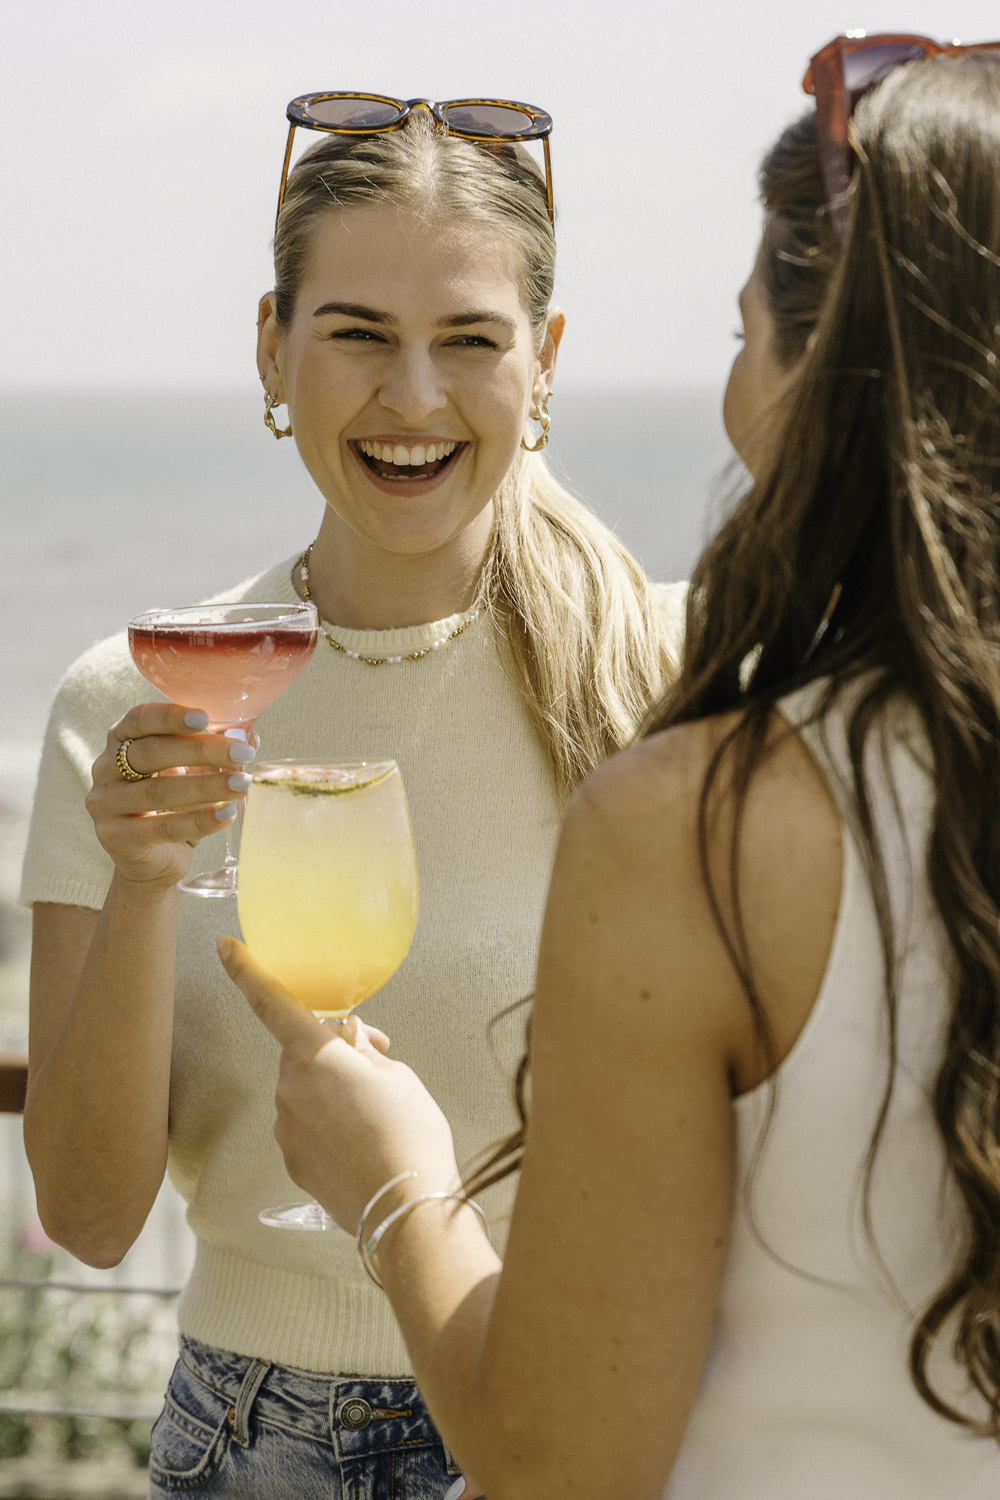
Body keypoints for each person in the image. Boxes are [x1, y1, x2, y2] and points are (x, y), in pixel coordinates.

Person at [223, 38, 1000, 1499]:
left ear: (820, 370)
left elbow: (558, 1462)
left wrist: (394, 1180)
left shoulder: (703, 829)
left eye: (740, 330)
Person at [19, 100, 684, 1498]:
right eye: (359, 334)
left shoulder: (663, 681)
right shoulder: (135, 705)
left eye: (472, 342)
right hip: (251, 1449)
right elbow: (86, 1216)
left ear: (546, 366)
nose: (416, 397)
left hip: (587, 1433)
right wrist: (144, 880)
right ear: (273, 348)